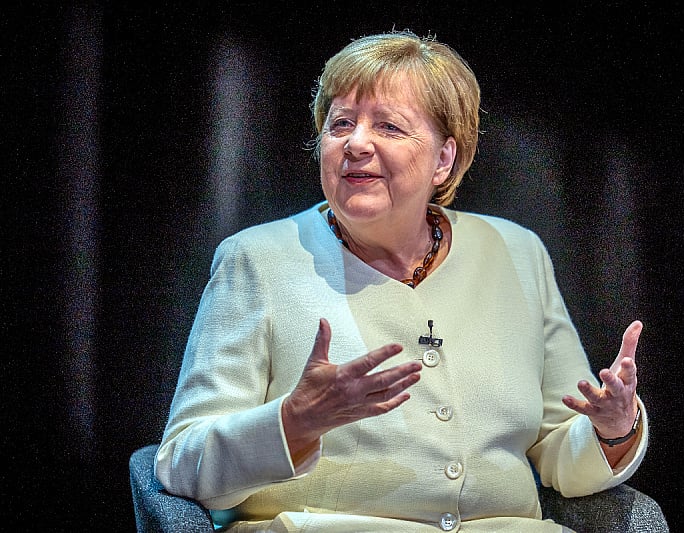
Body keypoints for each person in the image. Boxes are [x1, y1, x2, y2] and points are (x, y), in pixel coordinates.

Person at [155, 29, 649, 532]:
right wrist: (294, 422)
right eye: (340, 123)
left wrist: (612, 430)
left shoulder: (516, 252)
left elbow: (560, 447)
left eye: (388, 127)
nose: (356, 143)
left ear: (443, 160)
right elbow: (180, 461)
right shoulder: (256, 260)